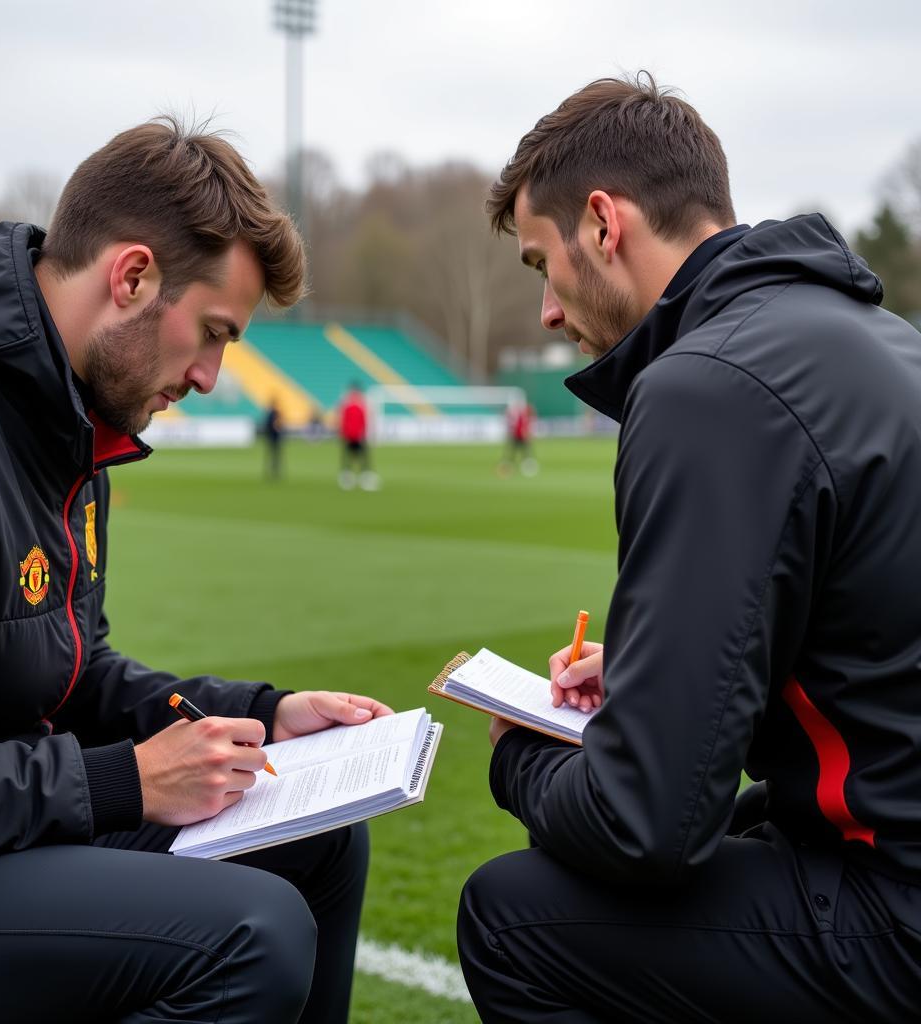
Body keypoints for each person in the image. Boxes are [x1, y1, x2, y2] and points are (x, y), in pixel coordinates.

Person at [0, 117, 395, 1024]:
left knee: (321, 844)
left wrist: (263, 713)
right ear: (131, 278)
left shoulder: (70, 423)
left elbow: (71, 676)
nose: (211, 376)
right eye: (210, 334)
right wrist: (125, 782)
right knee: (256, 930)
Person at [457, 73, 921, 1023]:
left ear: (602, 223)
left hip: (900, 908)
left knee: (512, 917)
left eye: (541, 262)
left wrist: (521, 760)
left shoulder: (704, 385)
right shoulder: (881, 338)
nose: (547, 310)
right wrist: (641, 678)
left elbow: (645, 825)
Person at [336, 381, 379, 491]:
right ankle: (349, 478)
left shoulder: (360, 404)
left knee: (361, 459)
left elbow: (365, 421)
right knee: (350, 459)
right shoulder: (347, 404)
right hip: (351, 435)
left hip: (358, 436)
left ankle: (364, 478)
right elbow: (343, 421)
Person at [498, 398, 538, 476]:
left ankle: (525, 466)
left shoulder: (521, 415)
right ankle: (507, 467)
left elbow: (523, 425)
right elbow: (516, 426)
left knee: (524, 453)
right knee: (514, 453)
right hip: (517, 436)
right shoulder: (519, 415)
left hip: (520, 436)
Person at [262, 396, 284, 479]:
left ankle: (274, 471)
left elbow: (278, 425)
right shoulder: (273, 414)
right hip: (273, 437)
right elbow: (271, 426)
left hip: (274, 437)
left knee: (275, 456)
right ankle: (272, 471)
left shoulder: (274, 413)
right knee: (273, 456)